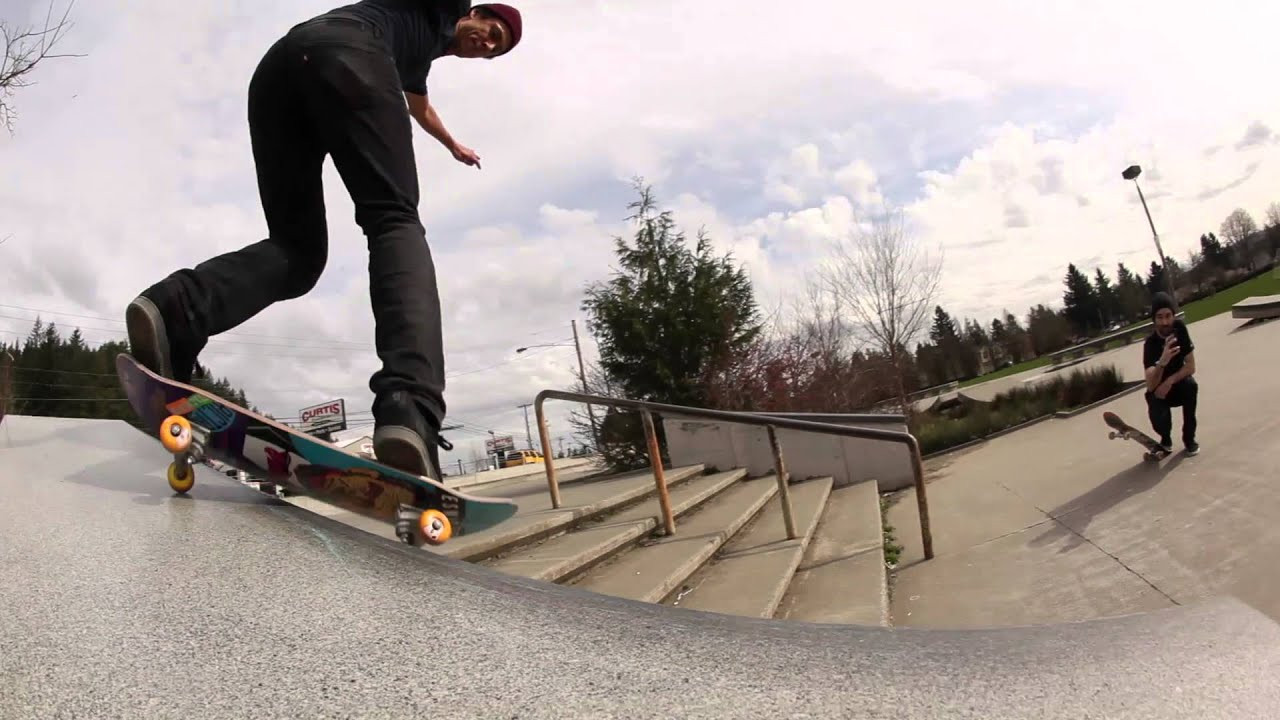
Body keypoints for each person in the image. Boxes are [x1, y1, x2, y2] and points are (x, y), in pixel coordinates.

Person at [123, 1, 523, 481]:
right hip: (352, 54)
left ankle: (178, 310)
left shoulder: (418, 58)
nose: (485, 43)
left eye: (494, 48)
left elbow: (419, 107)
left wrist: (452, 144)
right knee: (394, 219)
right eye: (490, 30)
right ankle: (410, 408)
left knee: (298, 253)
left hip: (282, 72)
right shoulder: (440, 6)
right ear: (474, 12)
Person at [1142, 292, 1199, 455]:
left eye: (1168, 316)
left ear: (1173, 316)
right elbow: (1151, 385)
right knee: (1158, 415)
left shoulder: (1180, 329)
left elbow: (1191, 366)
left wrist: (1170, 381)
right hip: (1158, 391)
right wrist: (1162, 362)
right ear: (1154, 320)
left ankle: (1189, 439)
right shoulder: (1150, 344)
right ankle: (1165, 439)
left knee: (1191, 386)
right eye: (1160, 317)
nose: (1165, 322)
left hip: (1178, 386)